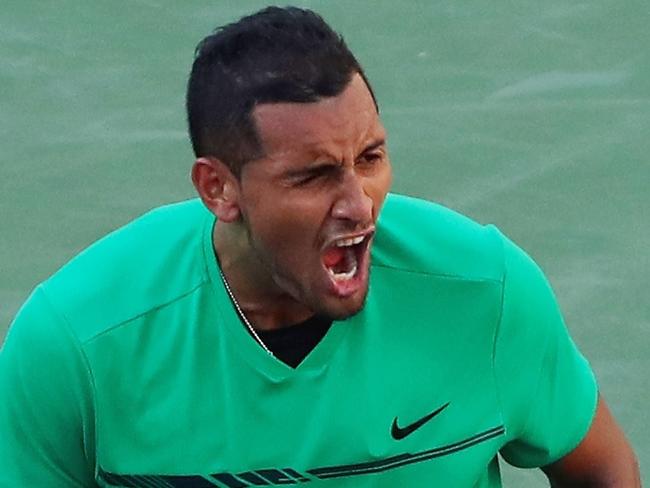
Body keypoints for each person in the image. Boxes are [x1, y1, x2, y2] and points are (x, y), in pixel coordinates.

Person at [0, 6, 640, 488]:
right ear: (219, 189)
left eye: (370, 158)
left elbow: (603, 469)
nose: (359, 204)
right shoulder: (78, 343)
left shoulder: (485, 294)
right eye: (312, 176)